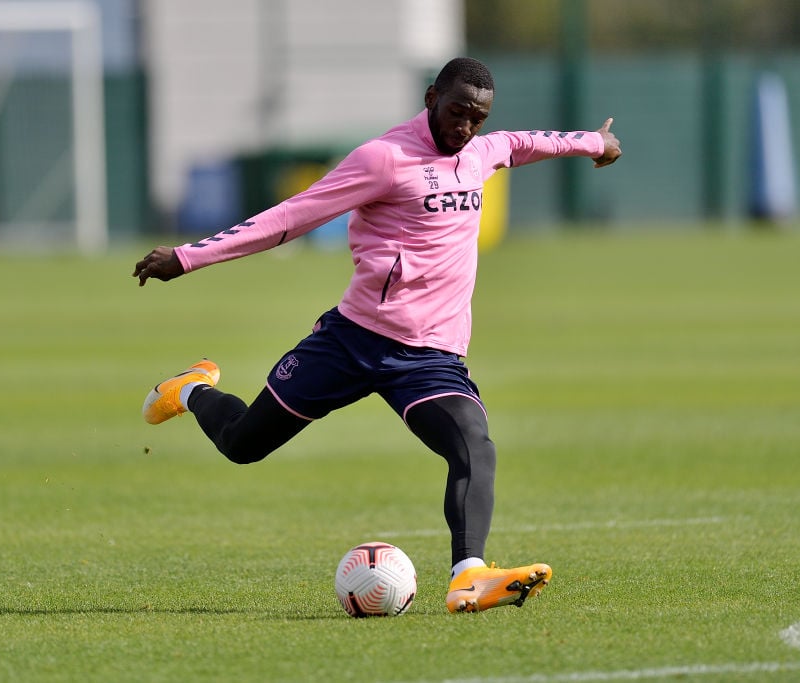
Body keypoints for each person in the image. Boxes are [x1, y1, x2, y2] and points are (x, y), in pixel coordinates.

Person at [133, 57, 621, 613]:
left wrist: (592, 143)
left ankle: (470, 575)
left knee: (474, 447)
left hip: (430, 357)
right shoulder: (383, 159)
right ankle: (193, 390)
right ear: (432, 95)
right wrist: (189, 257)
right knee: (244, 445)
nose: (464, 126)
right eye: (455, 110)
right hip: (353, 340)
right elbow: (291, 217)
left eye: (476, 117)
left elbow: (525, 143)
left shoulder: (481, 151)